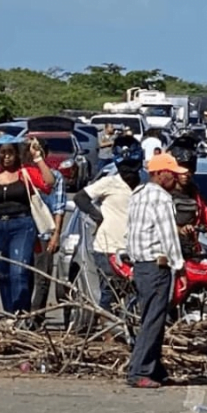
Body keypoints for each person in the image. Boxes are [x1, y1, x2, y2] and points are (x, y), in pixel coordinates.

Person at [124, 153, 187, 388]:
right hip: (155, 265)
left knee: (151, 318)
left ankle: (154, 368)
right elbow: (168, 235)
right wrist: (179, 267)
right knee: (153, 320)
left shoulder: (138, 195)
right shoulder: (161, 198)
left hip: (140, 266)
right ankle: (139, 370)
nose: (176, 179)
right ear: (160, 174)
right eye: (172, 174)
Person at [0, 139, 55, 316]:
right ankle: (9, 314)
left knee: (19, 271)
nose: (7, 157)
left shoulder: (25, 172)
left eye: (10, 153)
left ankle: (20, 314)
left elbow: (49, 183)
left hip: (22, 225)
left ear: (17, 154)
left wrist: (38, 158)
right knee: (3, 273)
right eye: (3, 153)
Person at [73, 136, 145, 317]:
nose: (128, 172)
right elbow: (80, 197)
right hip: (108, 247)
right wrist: (98, 216)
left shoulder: (147, 185)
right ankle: (108, 330)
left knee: (136, 292)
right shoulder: (109, 182)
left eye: (132, 166)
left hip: (137, 249)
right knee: (111, 290)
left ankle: (128, 328)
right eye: (124, 167)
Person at [29, 141, 66, 329]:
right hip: (25, 232)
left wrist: (56, 234)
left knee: (42, 278)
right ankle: (23, 315)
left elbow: (58, 208)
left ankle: (37, 318)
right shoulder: (23, 174)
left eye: (37, 149)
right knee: (22, 276)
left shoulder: (56, 176)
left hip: (45, 232)